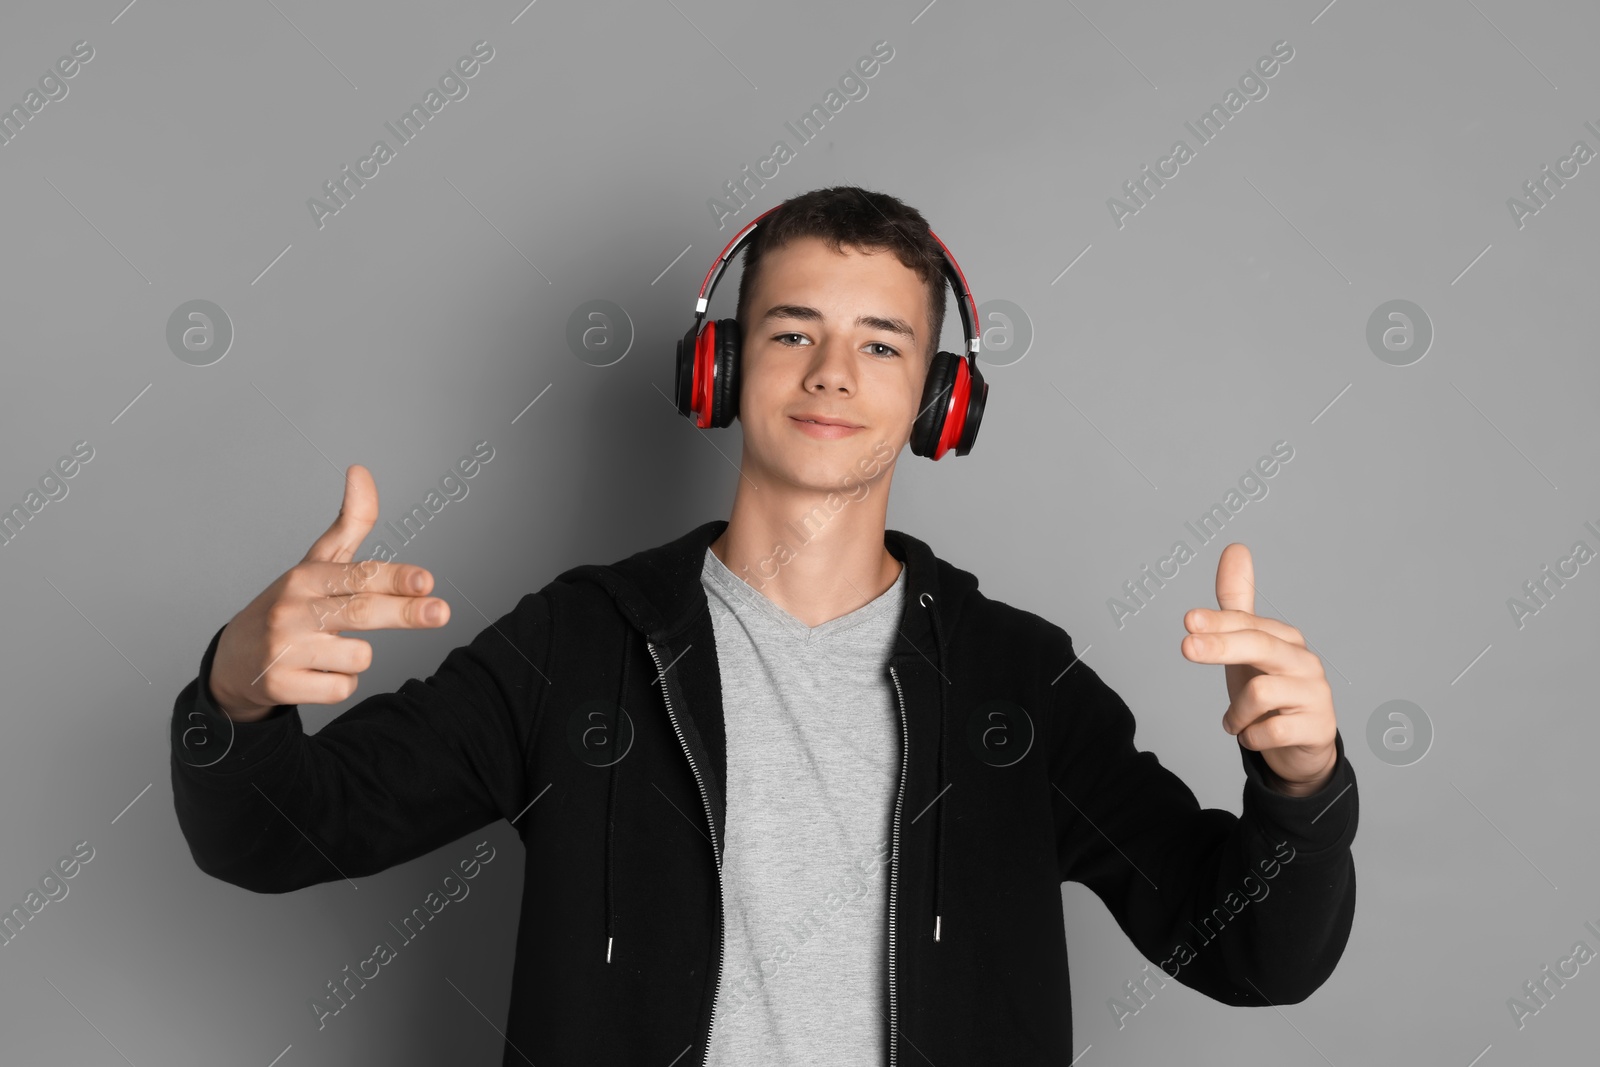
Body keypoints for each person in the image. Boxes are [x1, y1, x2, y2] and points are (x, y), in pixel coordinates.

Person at [170, 185, 1357, 1066]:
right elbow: (277, 838)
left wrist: (1299, 789)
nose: (832, 372)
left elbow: (1250, 953)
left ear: (940, 400)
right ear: (723, 368)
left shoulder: (1017, 680)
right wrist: (235, 694)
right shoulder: (576, 643)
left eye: (881, 343)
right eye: (793, 331)